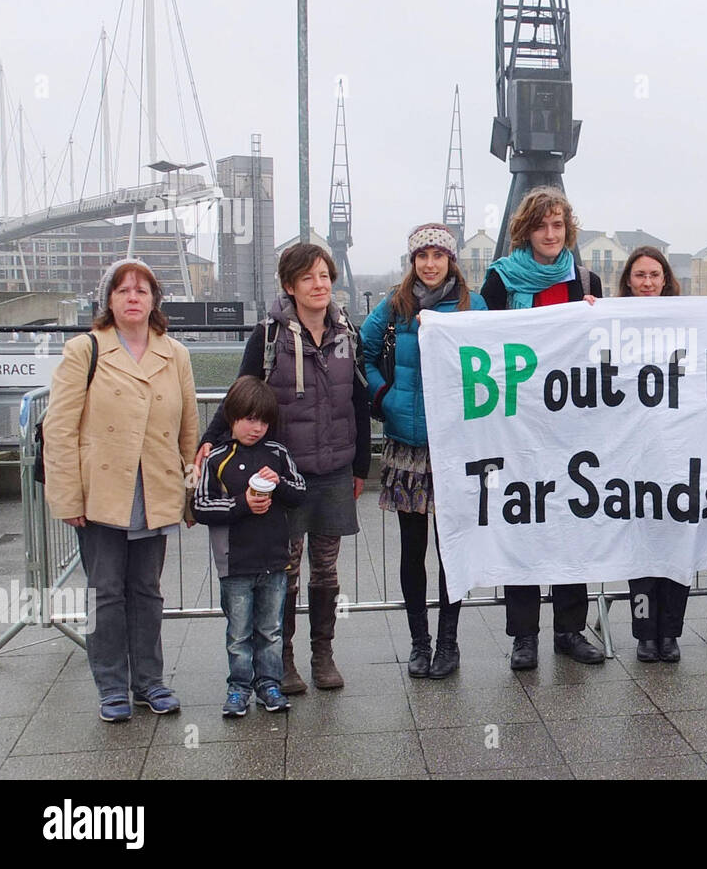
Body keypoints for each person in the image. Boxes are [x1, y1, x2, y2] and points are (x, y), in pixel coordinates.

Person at [196, 243, 371, 693]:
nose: (319, 285)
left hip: (335, 467)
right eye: (309, 277)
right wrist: (211, 439)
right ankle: (284, 658)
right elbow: (242, 394)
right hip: (286, 474)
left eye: (325, 276)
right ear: (290, 286)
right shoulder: (268, 336)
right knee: (285, 569)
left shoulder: (347, 332)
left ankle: (323, 653)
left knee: (327, 569)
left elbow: (359, 399)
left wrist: (361, 462)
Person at [44, 258, 199, 722]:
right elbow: (60, 430)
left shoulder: (175, 354)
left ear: (155, 301)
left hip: (155, 489)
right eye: (123, 290)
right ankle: (111, 686)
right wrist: (68, 498)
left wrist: (190, 494)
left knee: (147, 590)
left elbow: (189, 429)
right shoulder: (84, 350)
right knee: (105, 591)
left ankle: (150, 682)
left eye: (142, 290)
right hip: (101, 494)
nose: (133, 297)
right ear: (107, 300)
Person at [480, 186, 607, 671]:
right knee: (525, 525)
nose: (550, 234)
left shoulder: (586, 278)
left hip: (571, 423)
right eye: (541, 225)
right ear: (526, 230)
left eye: (558, 225)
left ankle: (570, 629)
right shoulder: (500, 280)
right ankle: (524, 634)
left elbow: (603, 349)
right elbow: (483, 343)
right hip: (518, 424)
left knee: (572, 524)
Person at [362, 224, 487, 680]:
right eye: (422, 256)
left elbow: (496, 359)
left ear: (451, 260)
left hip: (455, 444)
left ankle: (448, 643)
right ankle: (420, 642)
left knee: (450, 547)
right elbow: (365, 354)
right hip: (408, 443)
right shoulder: (393, 308)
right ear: (412, 262)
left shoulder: (474, 307)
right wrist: (384, 396)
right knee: (412, 549)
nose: (430, 263)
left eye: (438, 255)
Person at [193, 377, 307, 715]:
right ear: (232, 418)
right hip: (235, 563)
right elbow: (200, 507)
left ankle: (269, 684)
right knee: (238, 632)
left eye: (262, 420)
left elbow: (300, 492)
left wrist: (280, 484)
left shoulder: (278, 453)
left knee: (271, 629)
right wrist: (242, 503)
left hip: (275, 560)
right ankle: (238, 687)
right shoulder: (217, 458)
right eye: (248, 419)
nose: (255, 428)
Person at [616, 246, 688, 662]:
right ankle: (645, 632)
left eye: (654, 275)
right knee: (641, 546)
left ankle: (671, 633)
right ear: (628, 279)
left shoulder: (684, 321)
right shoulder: (612, 321)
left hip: (677, 449)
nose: (647, 282)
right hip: (632, 453)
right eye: (640, 275)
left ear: (665, 280)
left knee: (677, 542)